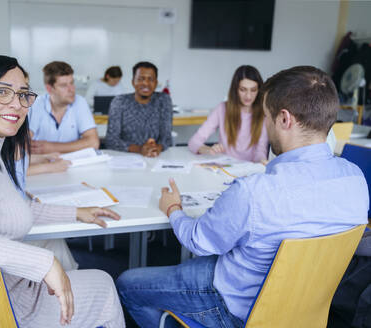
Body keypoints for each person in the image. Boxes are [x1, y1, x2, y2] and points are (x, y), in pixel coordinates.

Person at [116, 66, 369, 327]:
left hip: (235, 307)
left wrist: (174, 209)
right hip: (308, 308)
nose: (265, 124)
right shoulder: (356, 178)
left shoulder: (253, 191)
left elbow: (198, 241)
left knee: (126, 284)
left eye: (267, 117)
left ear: (284, 119)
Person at [0, 55, 125, 327]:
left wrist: (77, 212)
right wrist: (43, 263)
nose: (17, 105)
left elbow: (12, 206)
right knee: (104, 283)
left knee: (57, 249)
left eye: (23, 95)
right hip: (3, 304)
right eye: (3, 92)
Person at [188, 65, 268, 162]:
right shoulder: (222, 109)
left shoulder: (264, 114)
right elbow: (193, 142)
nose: (248, 96)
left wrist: (262, 161)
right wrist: (209, 150)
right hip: (225, 168)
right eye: (243, 90)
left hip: (250, 170)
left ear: (259, 90)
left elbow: (260, 151)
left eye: (253, 90)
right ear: (235, 89)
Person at [29, 61, 99, 155]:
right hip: (43, 163)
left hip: (72, 164)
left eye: (72, 83)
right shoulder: (36, 104)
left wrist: (51, 147)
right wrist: (74, 146)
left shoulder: (79, 102)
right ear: (49, 89)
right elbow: (23, 144)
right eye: (64, 85)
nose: (71, 89)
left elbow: (93, 142)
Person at [105, 61, 172, 157]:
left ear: (156, 83)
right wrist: (140, 149)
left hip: (155, 157)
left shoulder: (163, 100)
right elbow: (111, 140)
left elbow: (166, 138)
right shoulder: (119, 102)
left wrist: (157, 148)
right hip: (125, 158)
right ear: (133, 82)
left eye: (151, 79)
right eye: (141, 79)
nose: (146, 83)